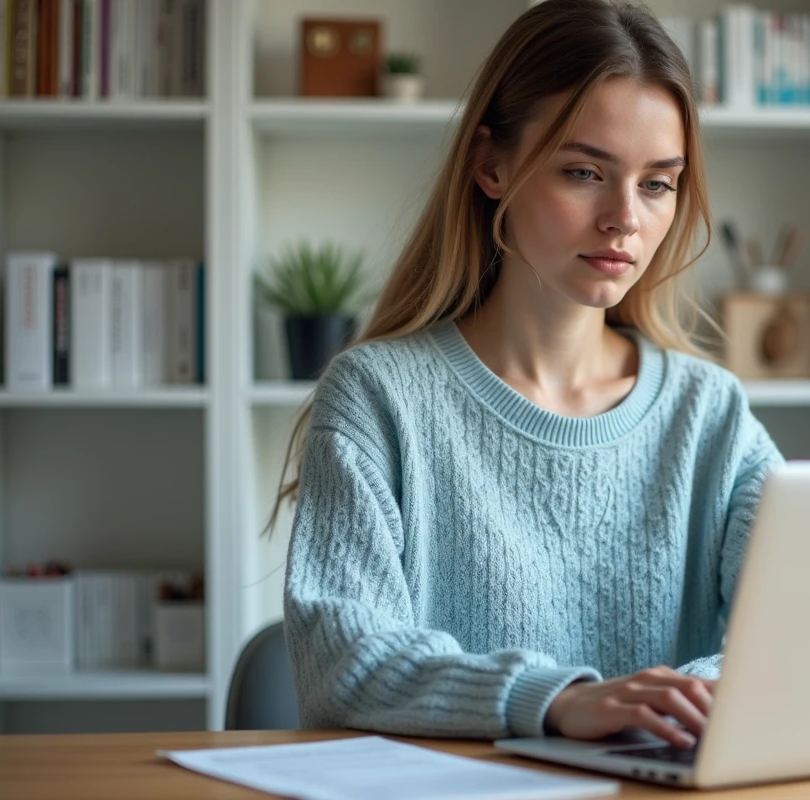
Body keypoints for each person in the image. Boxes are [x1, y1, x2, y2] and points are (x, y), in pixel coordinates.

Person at [276, 0, 783, 751]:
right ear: (491, 165)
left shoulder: (709, 412)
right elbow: (342, 660)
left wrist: (681, 702)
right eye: (585, 172)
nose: (625, 219)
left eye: (657, 184)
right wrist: (555, 700)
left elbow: (799, 626)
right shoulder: (379, 395)